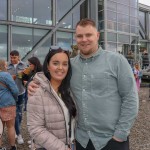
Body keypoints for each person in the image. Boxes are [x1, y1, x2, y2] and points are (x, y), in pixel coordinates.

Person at [28, 18, 139, 150]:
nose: (84, 39)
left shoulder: (117, 61)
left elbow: (130, 98)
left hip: (111, 140)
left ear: (97, 35)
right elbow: (52, 77)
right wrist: (33, 83)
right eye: (80, 36)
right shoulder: (70, 65)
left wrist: (120, 133)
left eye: (88, 35)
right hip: (82, 141)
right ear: (76, 38)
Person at [27, 47, 76, 150]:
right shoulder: (37, 91)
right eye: (55, 63)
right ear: (48, 66)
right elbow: (35, 129)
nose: (60, 68)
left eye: (65, 64)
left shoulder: (69, 90)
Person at [7, 50, 26, 144]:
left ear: (18, 57)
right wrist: (11, 78)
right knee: (15, 114)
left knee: (19, 114)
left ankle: (15, 129)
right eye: (11, 57)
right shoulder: (7, 66)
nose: (12, 59)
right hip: (11, 93)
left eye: (14, 57)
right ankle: (18, 134)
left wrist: (25, 77)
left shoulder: (24, 65)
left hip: (21, 92)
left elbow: (28, 77)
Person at [0, 59, 19, 150]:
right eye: (6, 65)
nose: (7, 66)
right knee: (10, 126)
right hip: (8, 103)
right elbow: (15, 90)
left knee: (0, 128)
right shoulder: (6, 75)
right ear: (3, 66)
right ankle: (12, 147)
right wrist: (15, 99)